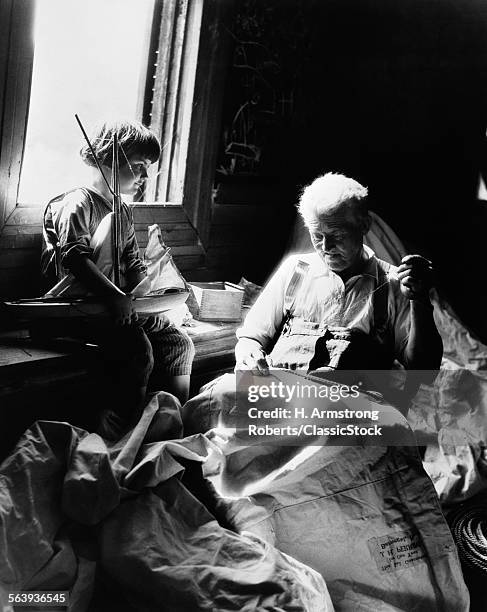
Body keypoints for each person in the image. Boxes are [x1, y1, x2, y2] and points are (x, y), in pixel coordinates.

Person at [40, 120, 195, 437]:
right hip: (77, 309)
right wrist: (114, 296)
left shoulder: (122, 209)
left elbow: (132, 259)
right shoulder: (77, 202)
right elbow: (74, 257)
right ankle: (124, 426)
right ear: (109, 157)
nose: (144, 177)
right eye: (139, 165)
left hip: (117, 306)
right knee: (140, 354)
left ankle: (180, 421)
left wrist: (147, 296)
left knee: (180, 344)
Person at [235, 172, 443, 382]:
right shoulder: (294, 271)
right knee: (217, 398)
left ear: (364, 226)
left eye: (338, 236)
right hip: (286, 394)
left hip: (352, 405)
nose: (326, 248)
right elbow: (251, 336)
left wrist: (420, 301)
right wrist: (248, 353)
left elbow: (424, 373)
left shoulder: (393, 283)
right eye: (317, 236)